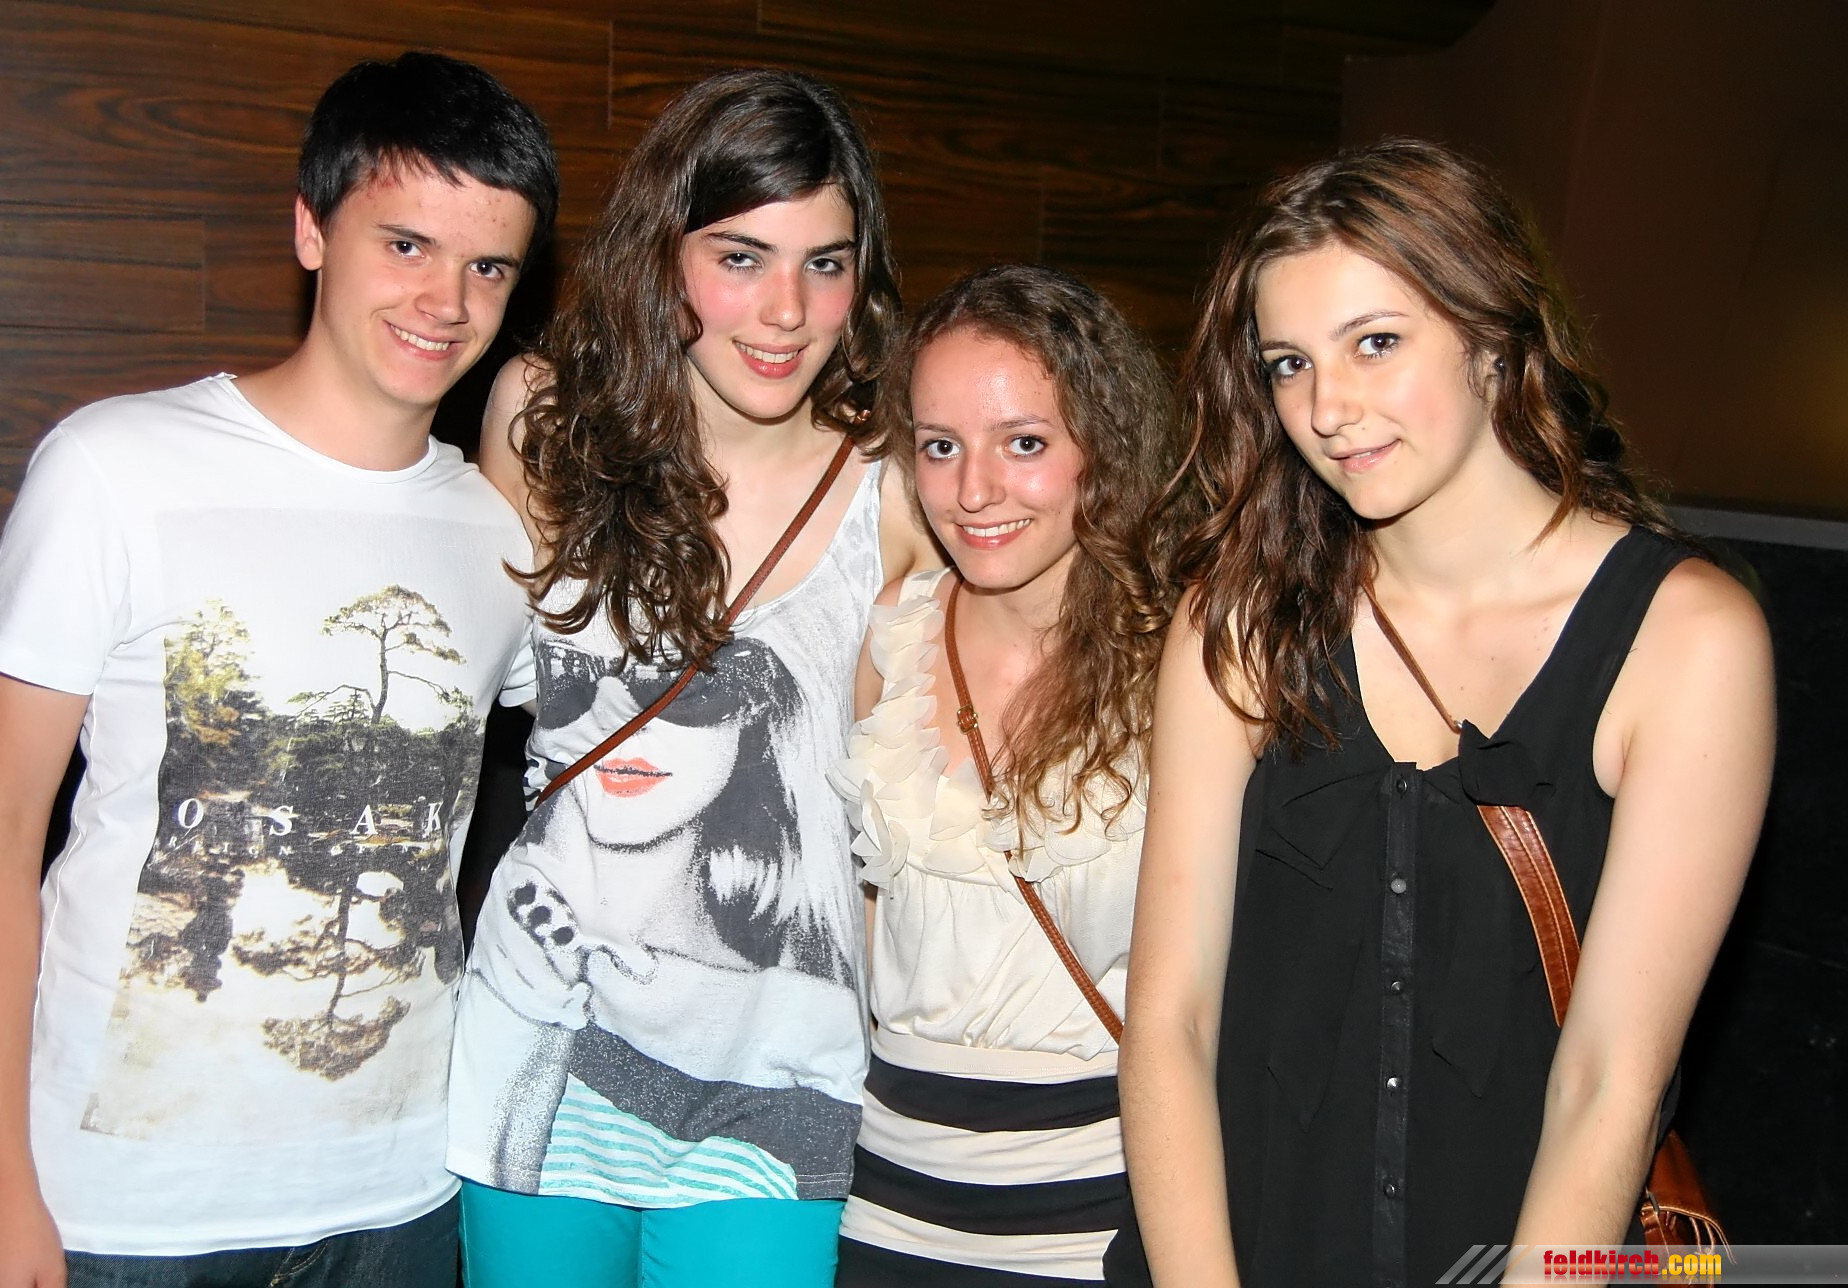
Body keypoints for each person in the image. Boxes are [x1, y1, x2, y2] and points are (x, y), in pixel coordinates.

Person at [0, 52, 559, 1288]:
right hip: (122, 1213)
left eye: (488, 267)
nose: (446, 300)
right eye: (406, 244)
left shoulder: (500, 534)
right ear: (311, 229)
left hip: (401, 1199)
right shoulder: (116, 467)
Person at [1120, 138, 1775, 1285]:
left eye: (1375, 342)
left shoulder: (1683, 641)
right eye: (1288, 363)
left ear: (1489, 332)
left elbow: (1608, 1078)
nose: (1327, 407)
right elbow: (1170, 1023)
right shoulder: (1237, 625)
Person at [445, 68, 938, 1288]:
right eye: (740, 258)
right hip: (535, 1044)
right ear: (662, 251)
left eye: (825, 264)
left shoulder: (899, 486)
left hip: (781, 1081)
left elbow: (899, 818)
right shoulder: (541, 422)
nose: (786, 311)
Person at [829, 264, 1191, 1286]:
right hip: (888, 1213)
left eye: (1023, 442)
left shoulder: (1185, 660)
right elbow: (871, 923)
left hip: (1100, 1224)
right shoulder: (895, 636)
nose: (973, 491)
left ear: (1103, 447)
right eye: (940, 446)